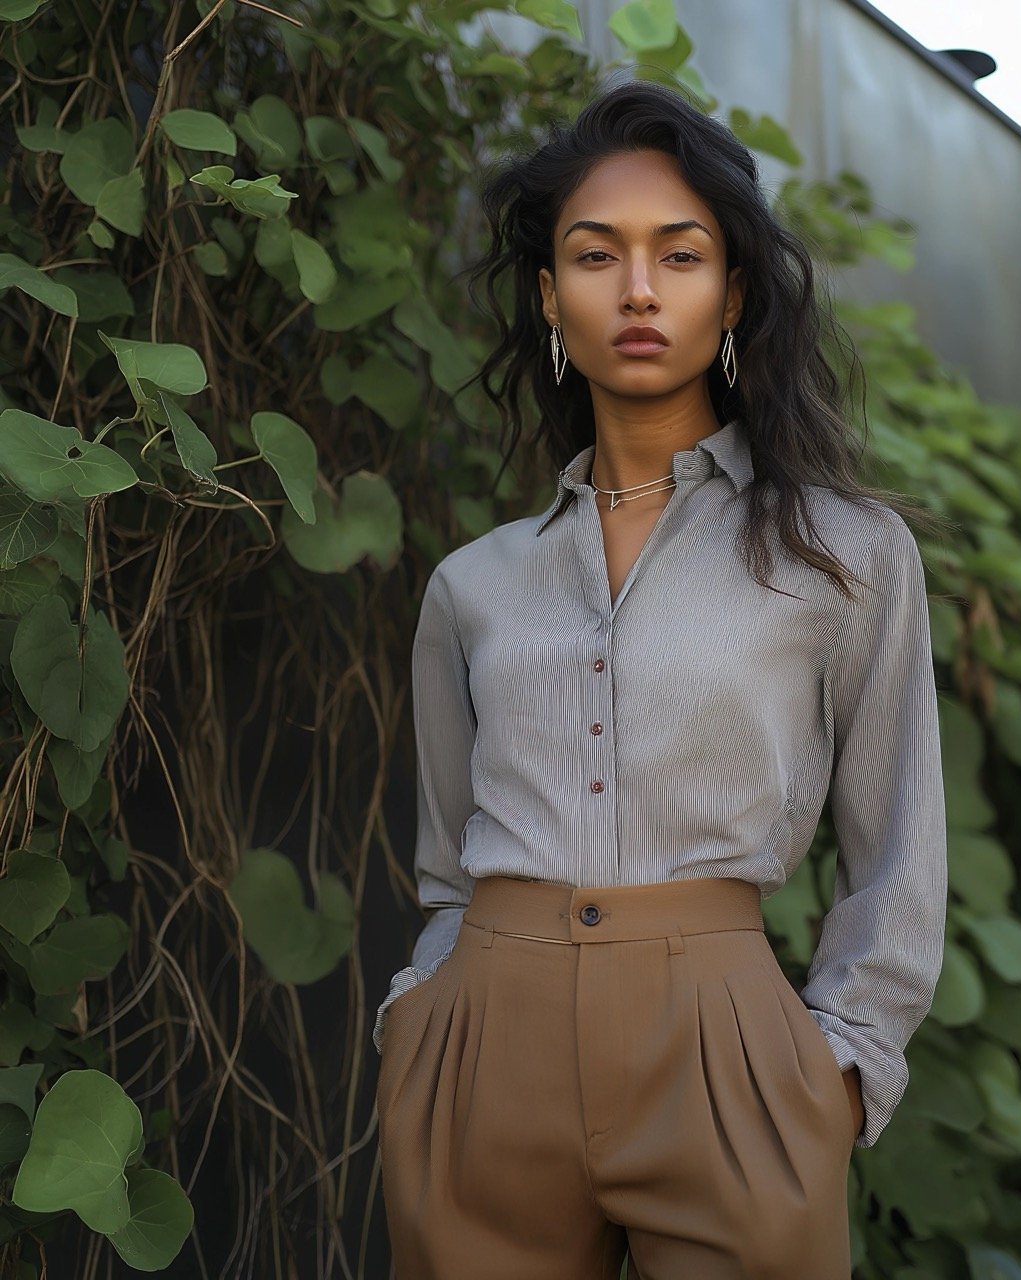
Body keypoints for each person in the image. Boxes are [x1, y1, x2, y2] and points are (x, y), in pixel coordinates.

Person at [373, 76, 948, 1280]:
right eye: (596, 254)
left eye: (678, 255)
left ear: (731, 291)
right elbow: (442, 866)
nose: (638, 289)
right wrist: (421, 1016)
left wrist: (839, 1070)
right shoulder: (471, 585)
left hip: (730, 1059)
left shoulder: (844, 555)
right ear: (548, 295)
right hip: (485, 1050)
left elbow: (895, 855)